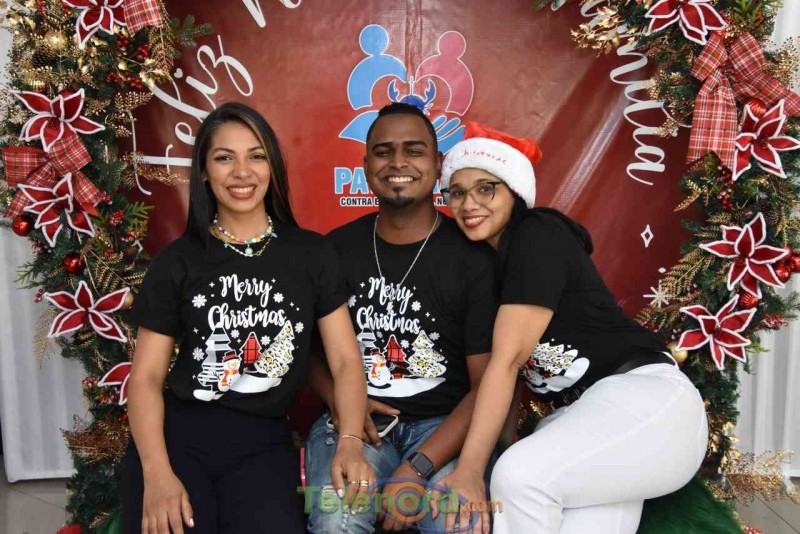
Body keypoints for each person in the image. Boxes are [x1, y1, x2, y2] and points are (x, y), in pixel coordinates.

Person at [432, 122, 709, 533]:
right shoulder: (491, 271)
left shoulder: (536, 233)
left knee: (519, 477)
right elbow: (508, 381)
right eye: (456, 192)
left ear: (513, 191)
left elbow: (507, 363)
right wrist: (500, 449)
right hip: (583, 422)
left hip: (644, 402)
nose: (469, 203)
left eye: (485, 188)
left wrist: (471, 471)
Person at [123, 102, 373, 534]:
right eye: (225, 158)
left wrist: (349, 442)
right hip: (179, 440)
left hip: (263, 445)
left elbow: (346, 360)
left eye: (256, 156)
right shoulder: (177, 262)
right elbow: (144, 379)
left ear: (272, 166)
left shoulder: (312, 254)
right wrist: (157, 474)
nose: (242, 172)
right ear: (204, 172)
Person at [303, 103, 499, 533]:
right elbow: (311, 353)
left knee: (458, 525)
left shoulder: (474, 258)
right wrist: (343, 404)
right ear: (365, 165)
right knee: (337, 519)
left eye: (414, 150)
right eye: (383, 151)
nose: (397, 162)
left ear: (438, 164)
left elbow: (487, 385)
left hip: (445, 428)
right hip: (355, 426)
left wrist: (418, 468)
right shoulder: (334, 250)